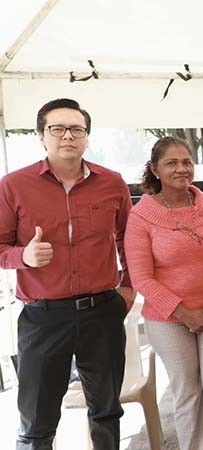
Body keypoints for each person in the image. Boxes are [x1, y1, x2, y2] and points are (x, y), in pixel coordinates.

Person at [0, 98, 135, 450]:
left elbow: (128, 238)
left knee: (106, 411)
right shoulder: (13, 185)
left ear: (87, 136)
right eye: (57, 129)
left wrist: (129, 285)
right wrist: (23, 256)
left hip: (102, 311)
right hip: (43, 316)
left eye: (76, 129)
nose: (68, 136)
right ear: (41, 136)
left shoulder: (112, 183)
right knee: (37, 421)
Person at [125, 137, 203, 450]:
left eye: (186, 162)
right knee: (188, 392)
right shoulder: (141, 216)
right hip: (168, 320)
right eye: (171, 163)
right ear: (155, 170)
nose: (181, 169)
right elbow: (141, 278)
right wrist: (183, 312)